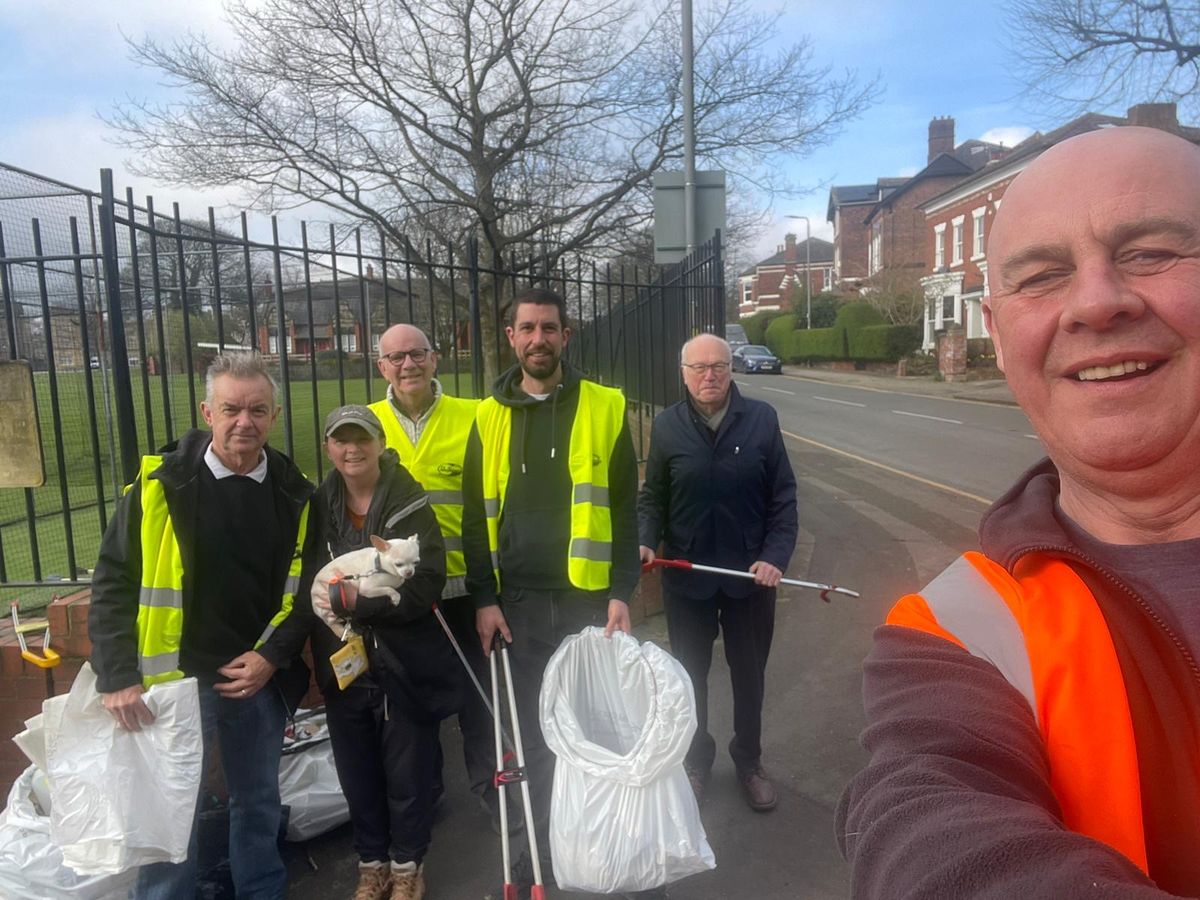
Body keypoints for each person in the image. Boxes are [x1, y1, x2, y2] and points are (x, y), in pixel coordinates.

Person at [837, 125, 1200, 898]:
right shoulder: (955, 630)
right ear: (998, 340)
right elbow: (921, 818)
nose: (1097, 303)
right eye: (1041, 276)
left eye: (1150, 252)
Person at [88, 351, 319, 900]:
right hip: (172, 683)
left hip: (255, 678)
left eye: (258, 410)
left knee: (258, 800)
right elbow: (112, 582)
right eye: (231, 409)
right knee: (170, 810)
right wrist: (116, 674)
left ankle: (261, 891)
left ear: (276, 415)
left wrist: (271, 658)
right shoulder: (157, 489)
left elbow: (308, 591)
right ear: (207, 412)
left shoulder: (297, 493)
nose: (245, 422)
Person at [461, 286, 642, 897]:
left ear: (567, 335)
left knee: (594, 733)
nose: (538, 339)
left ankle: (602, 853)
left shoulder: (606, 405)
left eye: (550, 328)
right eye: (527, 328)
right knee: (534, 741)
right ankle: (537, 858)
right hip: (517, 608)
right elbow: (472, 518)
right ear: (511, 337)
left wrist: (623, 589)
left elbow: (623, 509)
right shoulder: (486, 416)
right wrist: (483, 598)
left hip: (588, 603)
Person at [637, 333, 798, 812]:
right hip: (688, 578)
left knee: (749, 675)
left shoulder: (762, 420)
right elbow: (654, 498)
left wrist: (775, 556)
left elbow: (783, 498)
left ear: (731, 369)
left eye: (720, 366)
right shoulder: (666, 426)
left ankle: (748, 761)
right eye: (700, 367)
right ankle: (695, 760)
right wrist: (646, 538)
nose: (711, 375)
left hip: (750, 579)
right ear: (683, 373)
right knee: (689, 677)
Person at [310, 405, 460, 900]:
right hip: (344, 663)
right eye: (341, 440)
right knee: (358, 772)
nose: (352, 449)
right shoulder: (321, 504)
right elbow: (308, 582)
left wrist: (366, 608)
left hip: (402, 660)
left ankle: (406, 867)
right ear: (329, 447)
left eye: (361, 439)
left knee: (407, 773)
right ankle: (371, 865)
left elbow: (428, 582)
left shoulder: (408, 502)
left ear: (378, 443)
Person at [366, 324, 501, 830]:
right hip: (400, 594)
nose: (408, 365)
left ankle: (492, 790)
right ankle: (428, 794)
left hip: (466, 586)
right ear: (381, 367)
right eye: (396, 357)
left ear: (436, 358)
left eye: (417, 354)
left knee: (479, 697)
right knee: (413, 705)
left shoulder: (475, 416)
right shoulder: (368, 424)